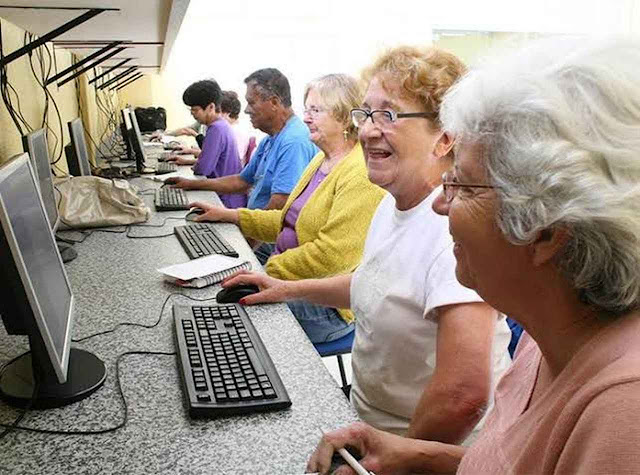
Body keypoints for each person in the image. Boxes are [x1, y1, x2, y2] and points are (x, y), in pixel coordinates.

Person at [306, 37, 640, 475]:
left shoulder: (623, 407)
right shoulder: (546, 338)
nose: (442, 204)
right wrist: (409, 456)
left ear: (544, 230)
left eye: (461, 186)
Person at [222, 46, 511, 441]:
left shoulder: (453, 230)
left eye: (388, 115)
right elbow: (371, 282)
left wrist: (394, 459)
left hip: (413, 444)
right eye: (366, 114)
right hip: (366, 420)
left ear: (443, 138)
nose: (369, 129)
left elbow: (463, 396)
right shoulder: (392, 205)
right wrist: (282, 289)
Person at [188, 74, 386, 343]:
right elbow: (287, 220)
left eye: (316, 110)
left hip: (326, 307)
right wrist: (230, 215)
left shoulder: (359, 173)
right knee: (211, 304)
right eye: (307, 110)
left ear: (344, 118)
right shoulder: (321, 160)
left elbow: (330, 257)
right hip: (289, 279)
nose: (305, 118)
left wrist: (265, 272)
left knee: (224, 315)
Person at [166, 68, 317, 214]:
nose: (246, 110)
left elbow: (279, 206)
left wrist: (244, 239)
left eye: (251, 103)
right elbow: (242, 181)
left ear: (274, 103)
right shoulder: (271, 139)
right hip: (254, 223)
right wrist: (191, 184)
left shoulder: (293, 141)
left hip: (267, 237)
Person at [167, 79, 245, 208]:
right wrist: (186, 162)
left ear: (211, 107)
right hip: (229, 196)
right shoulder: (221, 125)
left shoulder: (216, 129)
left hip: (225, 201)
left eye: (195, 110)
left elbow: (203, 168)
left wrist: (193, 166)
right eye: (190, 109)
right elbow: (215, 161)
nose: (192, 114)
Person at [220, 90, 257, 166]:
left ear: (227, 113)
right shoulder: (233, 129)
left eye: (217, 111)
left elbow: (233, 161)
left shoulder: (236, 132)